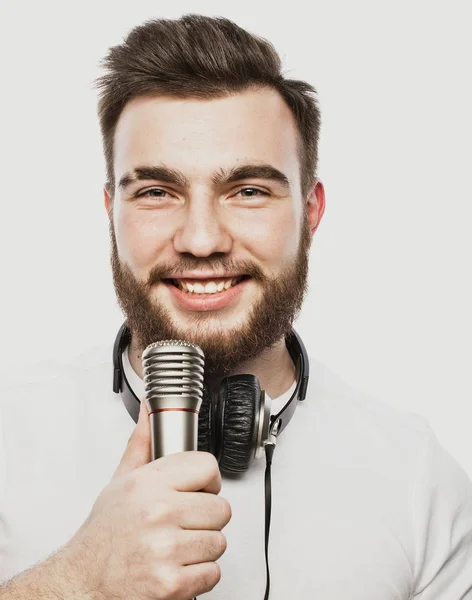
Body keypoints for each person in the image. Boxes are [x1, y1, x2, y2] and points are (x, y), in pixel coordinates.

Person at [0, 13, 471, 600]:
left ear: (311, 210)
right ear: (110, 211)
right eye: (156, 192)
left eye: (248, 191)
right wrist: (77, 582)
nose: (202, 240)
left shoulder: (417, 479)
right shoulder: (7, 437)